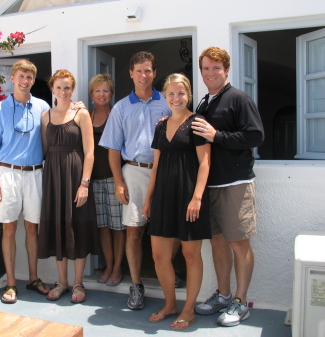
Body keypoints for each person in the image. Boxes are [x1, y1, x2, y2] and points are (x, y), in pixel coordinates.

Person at [192, 46, 264, 327]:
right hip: (210, 184)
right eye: (206, 68)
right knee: (218, 241)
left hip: (235, 183)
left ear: (226, 70)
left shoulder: (238, 99)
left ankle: (241, 301)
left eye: (216, 68)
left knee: (238, 242)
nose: (211, 73)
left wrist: (217, 135)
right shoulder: (205, 103)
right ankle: (223, 295)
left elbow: (255, 135)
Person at [99, 51, 171, 310]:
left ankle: (168, 282)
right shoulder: (120, 108)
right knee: (134, 230)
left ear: (154, 72)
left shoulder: (167, 102)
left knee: (167, 231)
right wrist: (119, 181)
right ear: (130, 73)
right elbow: (113, 149)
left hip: (164, 172)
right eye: (138, 70)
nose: (143, 75)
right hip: (134, 172)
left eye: (148, 70)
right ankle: (137, 285)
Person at [142, 73, 211, 330]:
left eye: (180, 93)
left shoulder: (197, 122)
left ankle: (189, 309)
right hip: (163, 196)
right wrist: (148, 199)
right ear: (165, 96)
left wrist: (197, 198)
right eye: (170, 94)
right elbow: (156, 165)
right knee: (159, 256)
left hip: (188, 196)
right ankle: (170, 303)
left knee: (190, 255)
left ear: (188, 94)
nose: (175, 98)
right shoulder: (161, 125)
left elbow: (205, 163)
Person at [0, 60, 51, 304]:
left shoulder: (42, 106)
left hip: (34, 173)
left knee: (33, 227)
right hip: (8, 174)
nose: (25, 81)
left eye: (30, 77)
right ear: (12, 78)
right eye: (21, 76)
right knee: (9, 228)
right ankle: (11, 283)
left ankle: (33, 278)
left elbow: (50, 137)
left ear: (33, 81)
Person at [38, 69, 100, 304]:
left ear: (72, 90)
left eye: (67, 87)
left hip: (76, 176)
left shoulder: (82, 113)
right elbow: (44, 150)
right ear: (52, 88)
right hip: (53, 177)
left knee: (77, 226)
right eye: (59, 87)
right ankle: (61, 281)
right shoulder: (45, 116)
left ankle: (77, 282)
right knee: (58, 226)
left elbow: (90, 152)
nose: (63, 91)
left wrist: (84, 183)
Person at [88, 74, 125, 287]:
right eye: (97, 90)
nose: (102, 95)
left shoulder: (117, 114)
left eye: (106, 90)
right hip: (94, 179)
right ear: (92, 94)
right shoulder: (87, 115)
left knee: (118, 227)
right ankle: (109, 265)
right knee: (103, 226)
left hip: (113, 177)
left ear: (111, 93)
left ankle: (118, 267)